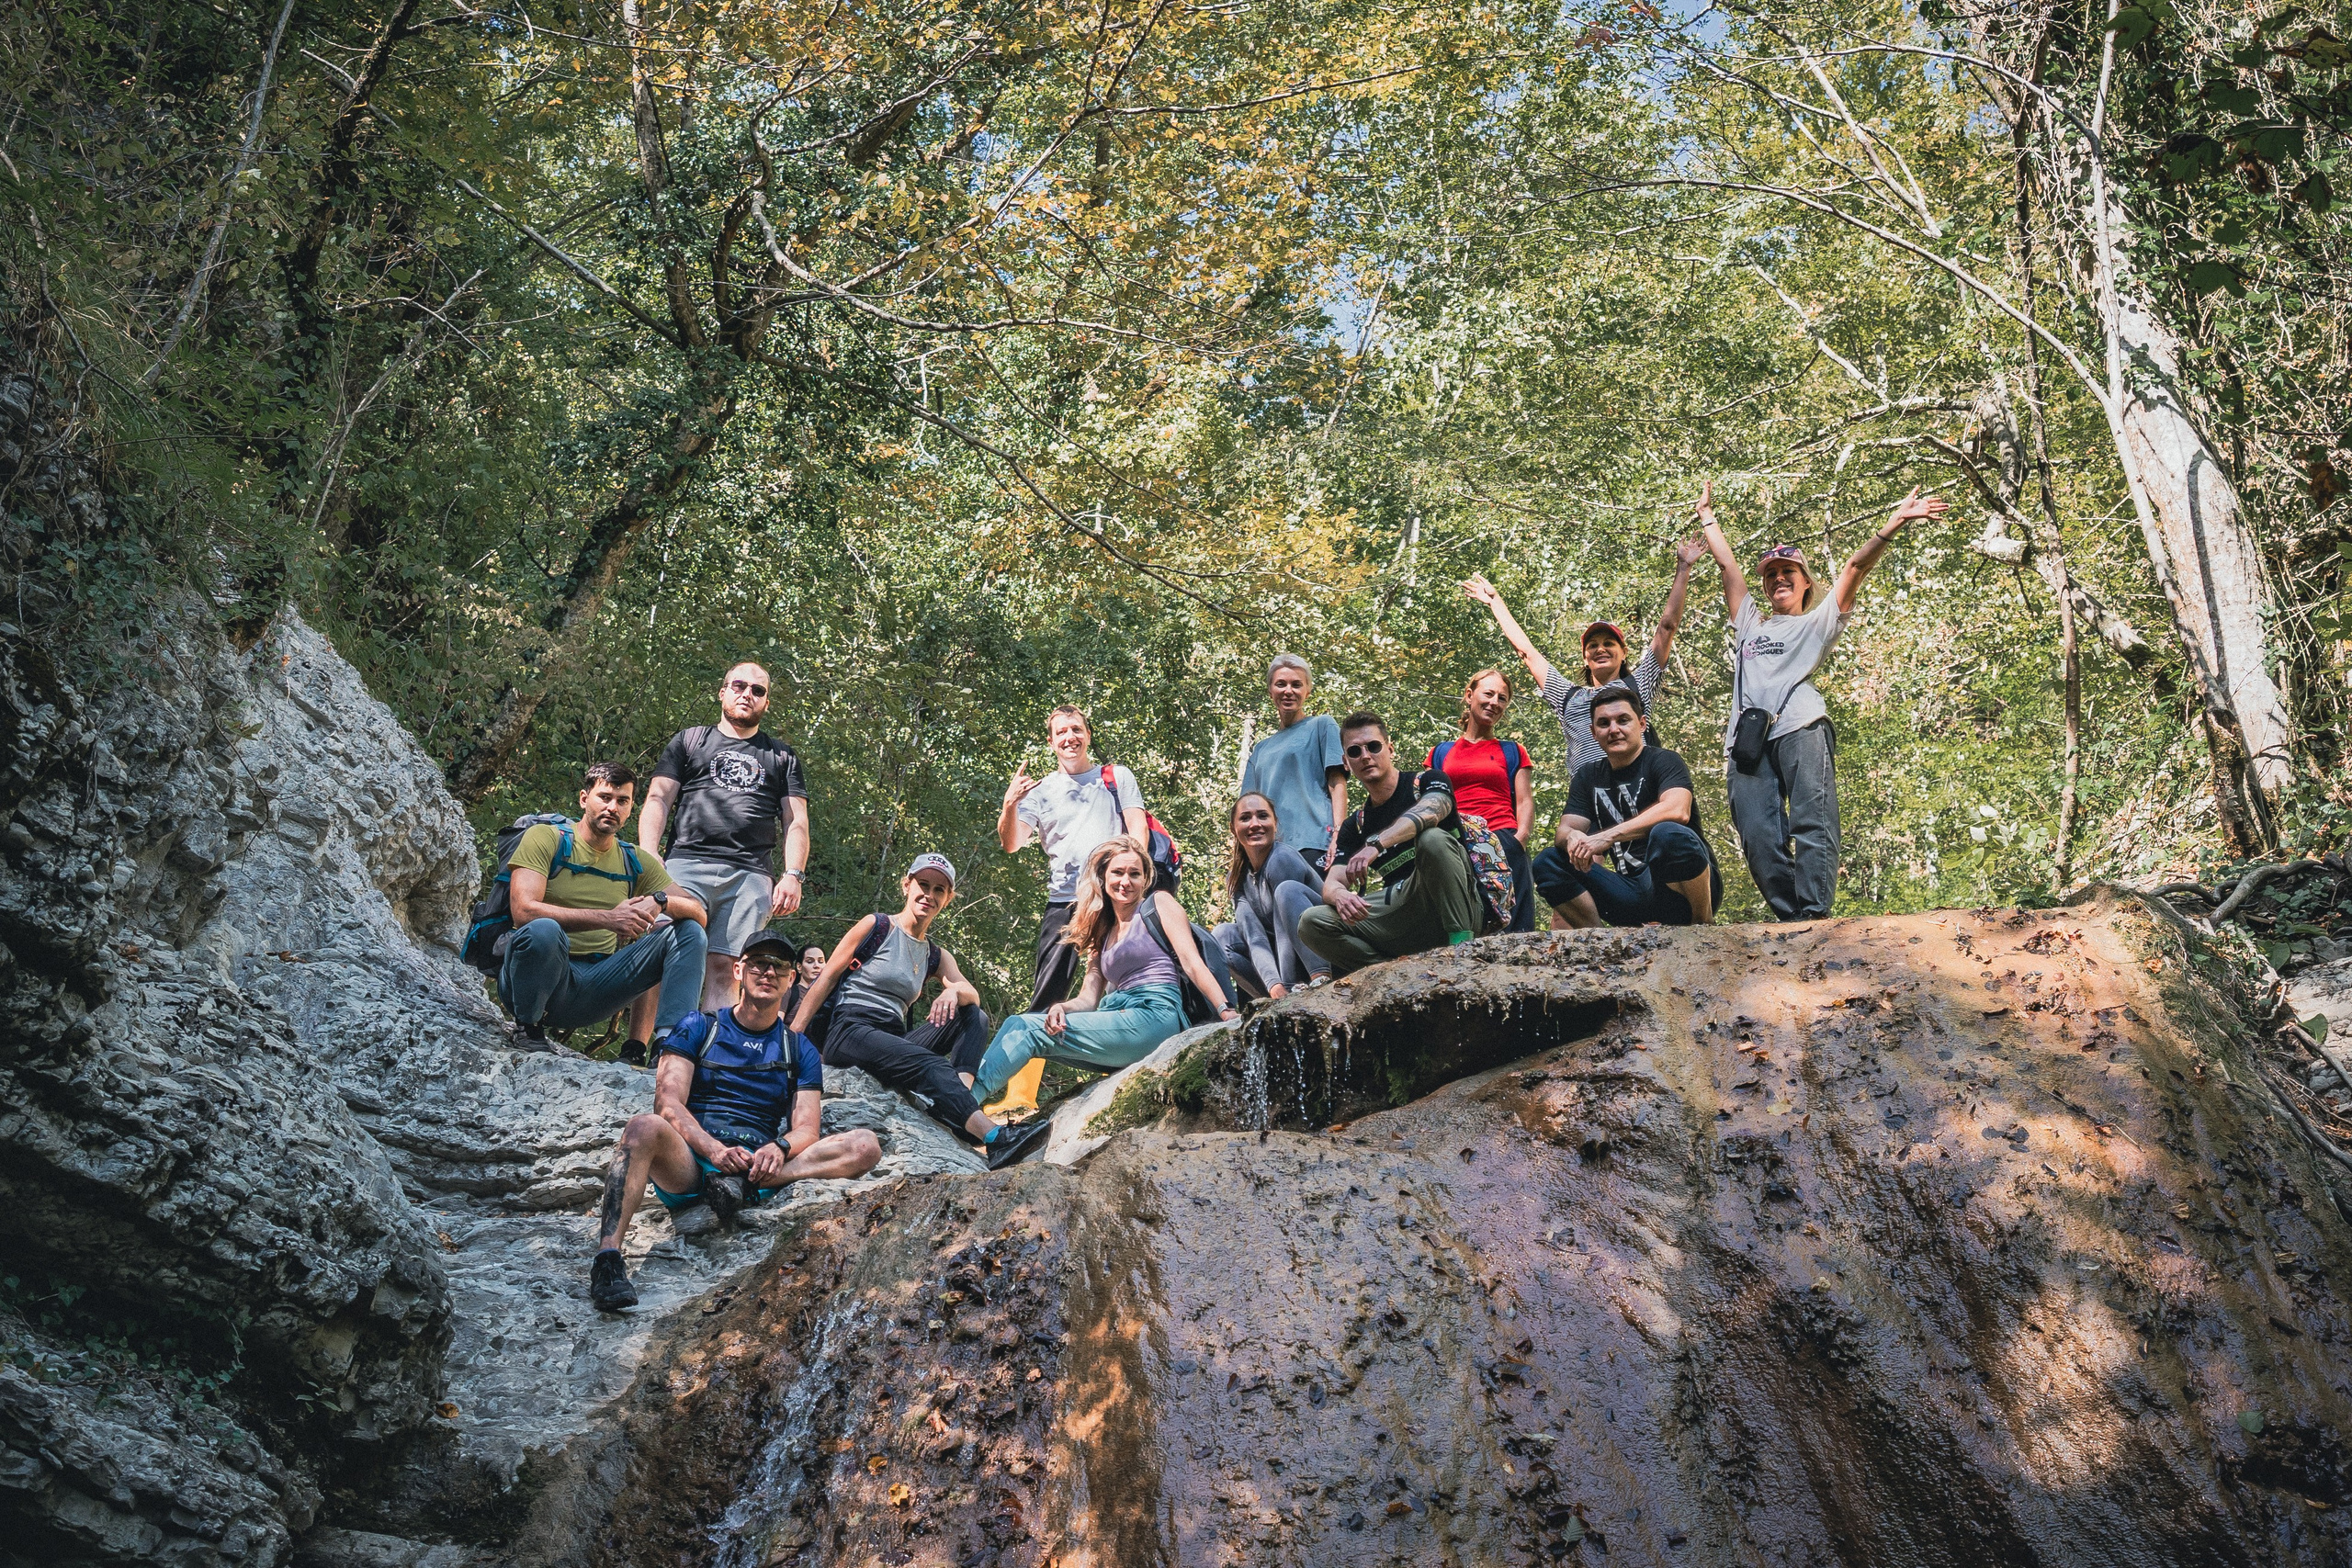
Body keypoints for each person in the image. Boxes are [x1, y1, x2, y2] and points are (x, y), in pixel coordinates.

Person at [588, 931, 880, 1311]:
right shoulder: (698, 1026)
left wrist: (780, 1148)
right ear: (739, 971)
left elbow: (807, 1127)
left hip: (758, 1165)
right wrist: (713, 1148)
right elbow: (668, 1102)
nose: (768, 972)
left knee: (865, 1146)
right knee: (643, 1127)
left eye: (779, 966)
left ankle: (753, 1182)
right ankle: (608, 1260)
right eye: (759, 963)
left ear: (792, 979)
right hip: (692, 1160)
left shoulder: (798, 1048)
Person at [1697, 480, 1948, 920]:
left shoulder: (1817, 623)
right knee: (1756, 835)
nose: (1778, 579)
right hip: (1748, 739)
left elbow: (1854, 567)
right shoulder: (1749, 625)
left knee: (1812, 821)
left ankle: (1813, 916)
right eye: (1771, 574)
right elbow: (1728, 567)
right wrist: (1707, 516)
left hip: (1802, 727)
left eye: (1787, 573)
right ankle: (1791, 919)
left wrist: (1894, 523)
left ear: (1805, 583)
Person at [788, 855, 1054, 1170]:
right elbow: (827, 976)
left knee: (973, 1016)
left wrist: (953, 990)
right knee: (930, 1065)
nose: (929, 894)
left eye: (939, 889)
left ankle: (958, 1106)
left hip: (891, 1037)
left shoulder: (935, 954)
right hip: (850, 1030)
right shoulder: (877, 926)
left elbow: (974, 996)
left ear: (948, 898)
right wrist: (793, 1037)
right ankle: (995, 1138)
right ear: (907, 885)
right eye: (923, 885)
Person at [632, 662, 810, 1058]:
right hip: (684, 864)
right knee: (663, 947)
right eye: (739, 685)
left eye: (758, 690)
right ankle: (638, 1045)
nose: (748, 694)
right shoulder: (690, 741)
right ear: (723, 691)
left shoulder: (781, 756)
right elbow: (658, 799)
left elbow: (796, 820)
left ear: (766, 701)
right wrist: (648, 856)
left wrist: (793, 874)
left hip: (749, 873)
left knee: (725, 965)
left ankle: (707, 1056)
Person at [974, 837, 1239, 1102]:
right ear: (1103, 876)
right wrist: (1061, 1008)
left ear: (1146, 879)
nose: (1126, 881)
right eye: (1118, 872)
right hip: (1119, 1017)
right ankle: (965, 1093)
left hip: (1155, 1016)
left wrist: (1225, 1011)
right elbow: (1089, 999)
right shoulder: (1102, 932)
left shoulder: (1160, 904)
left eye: (1135, 874)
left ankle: (962, 1105)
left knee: (1026, 1029)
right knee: (1019, 1025)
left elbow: (1192, 963)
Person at [993, 705, 1150, 1115]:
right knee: (1049, 989)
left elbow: (1138, 834)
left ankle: (1122, 1079)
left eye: (1076, 729)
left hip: (1115, 897)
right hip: (1064, 900)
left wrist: (1133, 886)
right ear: (1052, 741)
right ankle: (1019, 1096)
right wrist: (1010, 805)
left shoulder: (1115, 778)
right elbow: (1011, 843)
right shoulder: (1041, 790)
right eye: (1061, 732)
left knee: (1120, 984)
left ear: (1088, 734)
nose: (1069, 737)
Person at [500, 762, 709, 1052]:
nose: (613, 807)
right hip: (536, 980)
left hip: (596, 985)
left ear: (630, 807)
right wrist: (608, 919)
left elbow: (699, 912)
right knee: (543, 930)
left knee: (688, 931)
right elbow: (523, 911)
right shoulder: (547, 838)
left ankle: (670, 1045)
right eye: (605, 797)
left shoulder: (634, 860)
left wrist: (662, 901)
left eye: (622, 801)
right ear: (584, 799)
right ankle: (528, 1028)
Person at [1464, 538, 1703, 779]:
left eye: (1609, 644)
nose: (1601, 649)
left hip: (1639, 790)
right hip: (1591, 799)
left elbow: (1667, 628)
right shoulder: (1568, 696)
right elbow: (1528, 653)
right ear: (1585, 658)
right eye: (1593, 646)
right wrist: (1496, 602)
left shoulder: (1638, 685)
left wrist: (1683, 568)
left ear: (1623, 653)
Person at [1296, 713, 1485, 977]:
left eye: (1373, 746)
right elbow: (1332, 883)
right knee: (1312, 922)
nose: (1365, 756)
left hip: (1453, 902)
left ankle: (1461, 950)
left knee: (1432, 839)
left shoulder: (1427, 781)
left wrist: (1376, 845)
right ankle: (1389, 974)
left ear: (1390, 748)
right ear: (1346, 762)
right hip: (1401, 910)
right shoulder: (1356, 825)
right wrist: (1341, 896)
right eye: (1354, 751)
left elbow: (1433, 810)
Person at [1532, 683, 1722, 928]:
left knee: (1668, 834)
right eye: (1604, 723)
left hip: (1680, 888)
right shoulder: (1588, 776)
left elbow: (1677, 810)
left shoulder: (1664, 760)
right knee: (1548, 861)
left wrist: (1607, 837)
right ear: (1593, 731)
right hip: (1630, 893)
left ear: (1642, 724)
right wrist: (1573, 839)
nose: (1614, 730)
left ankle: (1702, 924)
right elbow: (1565, 829)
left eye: (1623, 720)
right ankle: (1599, 939)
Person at [1423, 668, 1538, 933]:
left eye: (1502, 698)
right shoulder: (1441, 752)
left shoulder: (1513, 751)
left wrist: (1520, 838)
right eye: (1488, 694)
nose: (1494, 702)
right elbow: (1428, 801)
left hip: (1503, 839)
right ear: (1469, 695)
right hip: (1457, 839)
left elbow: (1524, 801)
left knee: (1515, 924)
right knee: (1464, 915)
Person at [1213, 793, 1330, 999]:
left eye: (1262, 816)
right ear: (1233, 828)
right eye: (1245, 818)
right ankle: (1272, 998)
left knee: (1287, 891)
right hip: (1280, 962)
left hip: (1324, 945)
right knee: (1222, 935)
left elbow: (1284, 929)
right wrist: (1275, 986)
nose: (1255, 824)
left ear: (1275, 823)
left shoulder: (1281, 858)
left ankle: (1320, 977)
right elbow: (1253, 935)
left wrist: (1287, 981)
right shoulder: (1237, 876)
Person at [1238, 655, 1347, 873]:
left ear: (1307, 690)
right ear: (1271, 691)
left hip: (1314, 841)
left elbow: (1337, 783)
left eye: (1296, 684)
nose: (1289, 691)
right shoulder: (1261, 749)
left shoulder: (1322, 726)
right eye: (1281, 684)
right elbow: (1247, 807)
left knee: (1310, 905)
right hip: (1270, 851)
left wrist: (1339, 836)